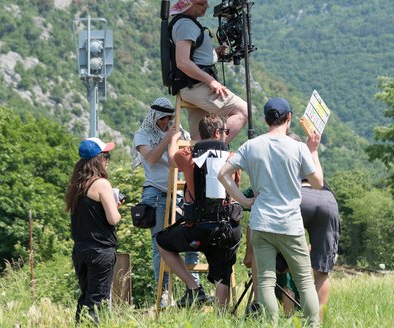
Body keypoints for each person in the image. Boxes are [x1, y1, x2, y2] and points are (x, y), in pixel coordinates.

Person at [218, 97, 324, 326]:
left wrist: (245, 201)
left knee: (265, 281)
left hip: (261, 223)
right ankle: (313, 324)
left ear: (266, 119)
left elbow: (223, 174)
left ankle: (270, 324)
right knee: (305, 281)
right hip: (290, 224)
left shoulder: (251, 146)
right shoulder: (298, 148)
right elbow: (317, 183)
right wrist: (313, 150)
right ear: (289, 118)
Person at [243, 132, 340, 322]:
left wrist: (250, 251)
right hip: (327, 199)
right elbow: (318, 178)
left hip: (299, 197)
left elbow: (261, 209)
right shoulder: (304, 152)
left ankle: (259, 307)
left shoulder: (280, 158)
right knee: (321, 271)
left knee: (260, 238)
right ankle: (315, 322)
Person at [157, 113, 243, 307]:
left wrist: (173, 140)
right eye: (225, 132)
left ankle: (194, 288)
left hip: (195, 228)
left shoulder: (186, 154)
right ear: (217, 132)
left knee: (162, 242)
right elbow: (235, 187)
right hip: (224, 230)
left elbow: (171, 160)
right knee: (223, 274)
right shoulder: (232, 158)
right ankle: (220, 320)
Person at [133, 97, 198, 307]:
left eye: (170, 118)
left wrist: (175, 137)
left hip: (179, 191)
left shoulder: (181, 134)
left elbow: (183, 159)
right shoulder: (143, 135)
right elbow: (151, 158)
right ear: (154, 118)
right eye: (162, 118)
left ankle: (193, 287)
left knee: (190, 239)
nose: (166, 122)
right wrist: (168, 138)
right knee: (159, 243)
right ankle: (164, 293)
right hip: (156, 192)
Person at [170, 0, 247, 143]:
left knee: (199, 136)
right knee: (242, 111)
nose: (207, 6)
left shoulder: (187, 22)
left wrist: (214, 55)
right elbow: (182, 62)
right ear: (189, 3)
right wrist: (211, 81)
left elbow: (194, 57)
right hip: (197, 86)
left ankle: (201, 164)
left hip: (193, 85)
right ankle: (214, 150)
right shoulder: (185, 25)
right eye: (202, 3)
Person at [65, 137, 121, 324]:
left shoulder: (76, 185)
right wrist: (115, 206)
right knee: (97, 301)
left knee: (85, 298)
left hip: (80, 250)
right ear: (99, 159)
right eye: (106, 156)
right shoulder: (101, 184)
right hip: (100, 251)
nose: (107, 160)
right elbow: (113, 218)